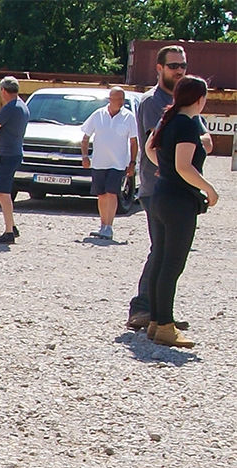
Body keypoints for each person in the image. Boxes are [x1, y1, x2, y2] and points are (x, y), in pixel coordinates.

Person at [126, 45, 213, 329]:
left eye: (183, 65)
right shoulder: (154, 101)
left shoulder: (181, 101)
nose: (179, 70)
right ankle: (145, 309)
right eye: (173, 65)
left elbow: (201, 133)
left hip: (173, 186)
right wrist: (167, 169)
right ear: (159, 68)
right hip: (159, 187)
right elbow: (155, 143)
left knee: (164, 252)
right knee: (163, 253)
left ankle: (159, 314)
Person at [139, 75, 218, 349]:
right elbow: (185, 166)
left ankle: (156, 321)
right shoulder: (186, 123)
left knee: (161, 260)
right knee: (173, 264)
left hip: (162, 193)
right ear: (200, 99)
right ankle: (164, 326)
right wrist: (209, 188)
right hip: (178, 201)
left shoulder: (169, 119)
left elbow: (150, 149)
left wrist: (165, 168)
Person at [79, 86, 139, 240]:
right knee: (101, 194)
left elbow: (133, 142)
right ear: (110, 100)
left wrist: (132, 163)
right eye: (117, 99)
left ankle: (109, 227)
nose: (120, 102)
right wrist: (85, 156)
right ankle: (103, 224)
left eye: (122, 99)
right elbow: (85, 137)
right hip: (99, 162)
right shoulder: (98, 114)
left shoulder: (129, 117)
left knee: (112, 193)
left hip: (118, 163)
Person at [0, 76, 28, 245]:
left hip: (7, 155)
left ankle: (9, 231)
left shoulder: (9, 108)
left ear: (3, 90)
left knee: (2, 192)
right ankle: (12, 226)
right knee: (0, 191)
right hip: (13, 152)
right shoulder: (22, 105)